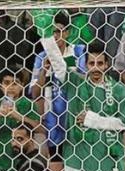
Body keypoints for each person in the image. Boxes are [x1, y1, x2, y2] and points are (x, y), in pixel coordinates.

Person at [33, 10, 125, 171]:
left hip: (108, 163)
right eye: (91, 63)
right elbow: (59, 67)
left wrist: (92, 120)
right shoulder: (76, 82)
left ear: (107, 65)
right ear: (85, 65)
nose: (96, 68)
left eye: (100, 63)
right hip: (77, 160)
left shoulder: (119, 90)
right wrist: (47, 36)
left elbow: (124, 123)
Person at [30, 11, 87, 162]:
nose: (56, 35)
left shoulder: (78, 51)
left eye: (59, 31)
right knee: (56, 165)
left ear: (67, 32)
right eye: (53, 31)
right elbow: (35, 93)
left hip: (76, 117)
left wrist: (61, 63)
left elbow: (84, 83)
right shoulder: (41, 57)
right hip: (52, 122)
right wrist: (44, 70)